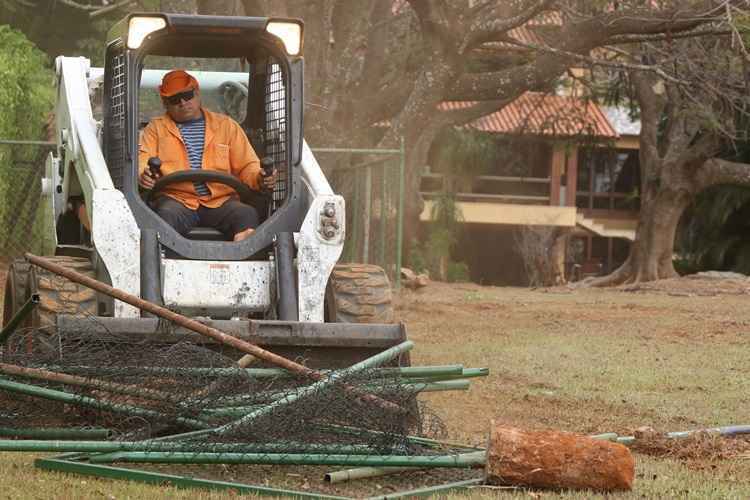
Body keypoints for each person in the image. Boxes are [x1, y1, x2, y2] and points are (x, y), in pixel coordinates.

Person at [138, 69, 274, 241]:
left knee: (246, 215)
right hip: (176, 200)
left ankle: (238, 265)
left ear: (197, 93)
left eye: (187, 95)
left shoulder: (227, 126)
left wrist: (260, 177)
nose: (183, 102)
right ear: (165, 103)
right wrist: (144, 175)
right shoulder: (155, 129)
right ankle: (160, 263)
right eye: (174, 99)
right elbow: (142, 159)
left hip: (220, 201)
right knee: (164, 216)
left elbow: (248, 165)